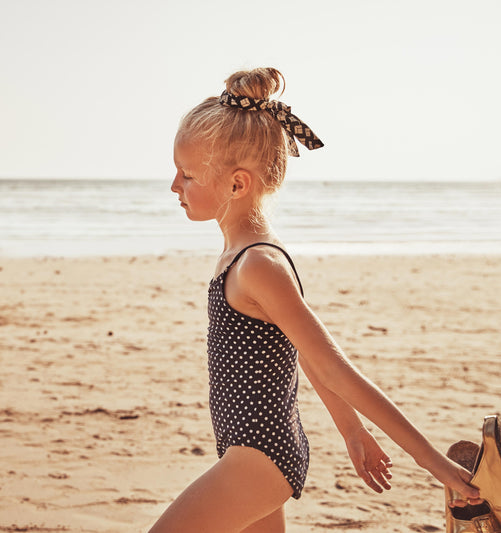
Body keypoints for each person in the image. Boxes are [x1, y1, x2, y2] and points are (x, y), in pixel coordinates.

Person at [149, 67, 481, 533]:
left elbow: (332, 365)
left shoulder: (258, 264)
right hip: (252, 452)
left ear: (237, 184)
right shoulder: (241, 255)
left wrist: (431, 462)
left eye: (186, 175)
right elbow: (302, 350)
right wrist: (351, 431)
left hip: (258, 459)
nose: (173, 186)